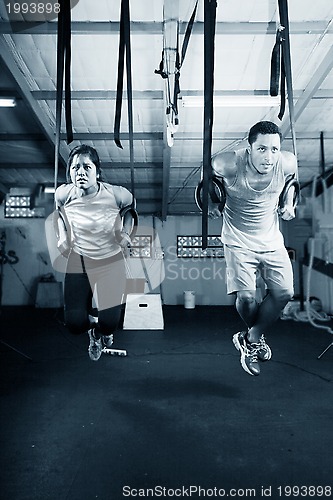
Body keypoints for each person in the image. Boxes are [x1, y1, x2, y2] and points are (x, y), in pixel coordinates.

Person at [210, 121, 298, 376]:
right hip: (238, 240)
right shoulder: (227, 164)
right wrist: (213, 204)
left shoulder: (287, 162)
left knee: (284, 294)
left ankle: (250, 338)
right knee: (247, 297)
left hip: (271, 240)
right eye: (261, 149)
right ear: (248, 149)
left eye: (273, 149)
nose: (268, 157)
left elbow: (291, 183)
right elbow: (206, 185)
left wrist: (289, 203)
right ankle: (255, 340)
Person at [55, 144, 135, 361]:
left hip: (111, 260)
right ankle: (91, 330)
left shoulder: (117, 194)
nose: (80, 172)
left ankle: (100, 332)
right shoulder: (63, 194)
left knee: (110, 324)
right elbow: (60, 216)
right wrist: (62, 236)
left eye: (86, 167)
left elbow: (131, 213)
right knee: (74, 325)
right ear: (69, 171)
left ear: (97, 172)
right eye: (75, 167)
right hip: (79, 259)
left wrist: (126, 234)